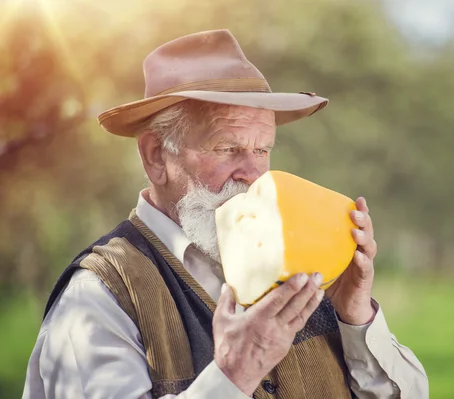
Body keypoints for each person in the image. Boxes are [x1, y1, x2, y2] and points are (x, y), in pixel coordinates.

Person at [22, 29, 428, 399]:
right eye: (227, 148)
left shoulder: (303, 267)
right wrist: (233, 374)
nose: (252, 175)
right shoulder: (97, 297)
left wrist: (354, 317)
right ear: (156, 156)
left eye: (262, 150)